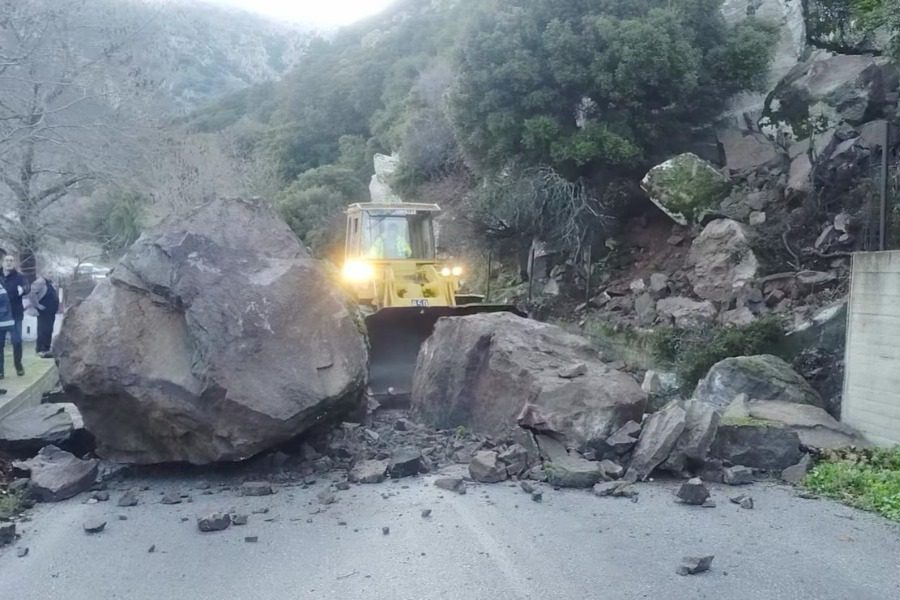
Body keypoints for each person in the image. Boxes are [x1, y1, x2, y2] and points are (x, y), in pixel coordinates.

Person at [0, 254, 29, 376]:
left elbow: (28, 287)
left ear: (14, 263)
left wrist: (23, 290)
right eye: (7, 260)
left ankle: (18, 365)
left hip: (16, 314)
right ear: (2, 262)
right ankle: (0, 371)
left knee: (16, 341)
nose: (9, 263)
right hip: (1, 315)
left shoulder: (19, 277)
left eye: (11, 261)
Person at [28, 276, 59, 358]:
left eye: (51, 272)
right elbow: (32, 294)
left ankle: (46, 349)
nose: (50, 274)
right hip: (44, 310)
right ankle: (40, 350)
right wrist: (37, 305)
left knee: (49, 330)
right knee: (43, 329)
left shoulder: (50, 283)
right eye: (49, 272)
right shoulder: (40, 282)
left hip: (51, 311)